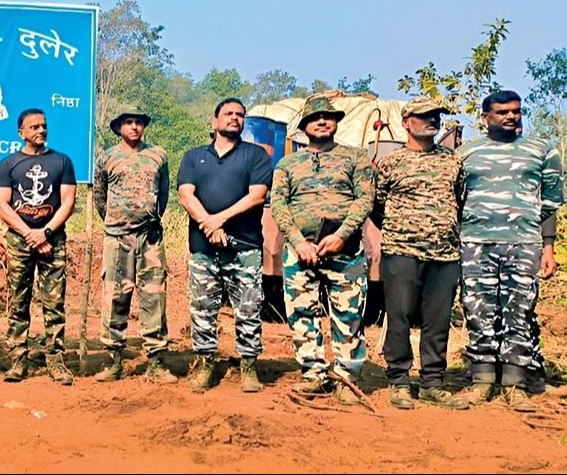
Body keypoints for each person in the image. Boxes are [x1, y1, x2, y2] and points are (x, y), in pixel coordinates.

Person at [455, 90, 563, 412]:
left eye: (516, 111)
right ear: (485, 117)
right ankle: (482, 381)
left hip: (524, 244)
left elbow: (551, 201)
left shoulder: (542, 150)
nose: (511, 116)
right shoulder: (465, 153)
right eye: (502, 112)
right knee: (478, 310)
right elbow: (454, 197)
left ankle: (515, 385)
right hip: (475, 244)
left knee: (520, 312)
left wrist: (547, 246)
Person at [270, 95, 375, 404]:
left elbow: (365, 199)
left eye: (327, 117)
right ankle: (314, 374)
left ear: (335, 122)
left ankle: (347, 378)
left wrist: (342, 235)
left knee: (349, 315)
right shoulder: (288, 164)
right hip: (300, 251)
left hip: (344, 250)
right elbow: (279, 203)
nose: (321, 121)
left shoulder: (355, 158)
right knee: (302, 313)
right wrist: (298, 241)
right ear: (304, 126)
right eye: (314, 118)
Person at [371, 97, 469, 410]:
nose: (432, 120)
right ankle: (399, 381)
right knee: (399, 317)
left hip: (444, 254)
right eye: (424, 115)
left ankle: (432, 383)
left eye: (435, 115)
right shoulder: (391, 163)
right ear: (406, 122)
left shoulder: (453, 162)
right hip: (402, 251)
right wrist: (403, 229)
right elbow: (377, 205)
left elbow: (460, 200)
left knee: (438, 320)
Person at [177, 98, 273, 393]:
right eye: (228, 113)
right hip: (203, 249)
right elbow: (186, 194)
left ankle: (249, 366)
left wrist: (219, 220)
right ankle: (205, 363)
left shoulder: (255, 155)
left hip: (244, 249)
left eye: (240, 115)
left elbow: (257, 196)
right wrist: (209, 224)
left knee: (248, 309)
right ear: (214, 121)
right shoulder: (194, 157)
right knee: (202, 309)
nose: (234, 118)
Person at [92, 106, 175, 383]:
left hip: (150, 238)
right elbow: (100, 196)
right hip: (117, 238)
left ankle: (156, 361)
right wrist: (116, 221)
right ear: (119, 127)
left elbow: (164, 193)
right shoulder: (107, 158)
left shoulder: (158, 155)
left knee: (154, 296)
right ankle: (113, 360)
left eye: (138, 122)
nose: (134, 127)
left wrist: (151, 219)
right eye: (128, 122)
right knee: (115, 297)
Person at [0, 108, 76, 385]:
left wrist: (46, 232)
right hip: (20, 241)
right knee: (18, 301)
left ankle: (55, 360)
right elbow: (2, 204)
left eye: (43, 126)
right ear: (21, 133)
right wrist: (30, 234)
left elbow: (68, 202)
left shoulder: (62, 161)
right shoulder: (8, 164)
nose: (41, 130)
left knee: (54, 303)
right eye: (34, 127)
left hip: (53, 239)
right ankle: (18, 359)